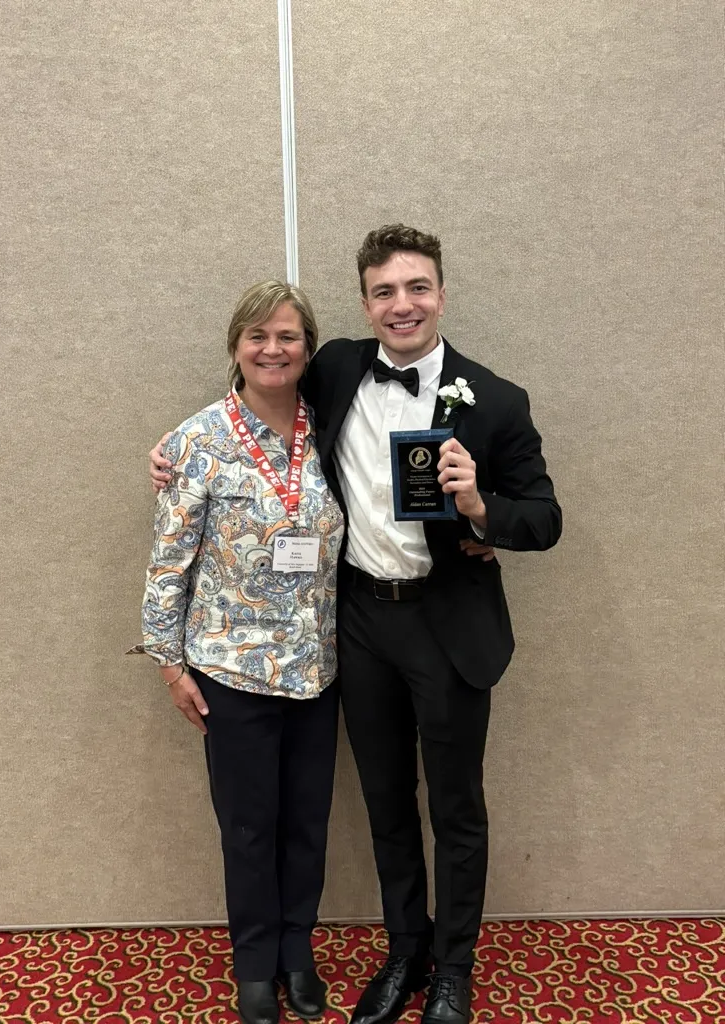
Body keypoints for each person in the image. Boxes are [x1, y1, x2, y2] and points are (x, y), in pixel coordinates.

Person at [150, 226, 561, 1024]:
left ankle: (453, 969)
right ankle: (404, 948)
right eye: (383, 291)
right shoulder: (334, 366)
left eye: (417, 288)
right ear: (366, 303)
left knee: (455, 806)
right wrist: (164, 452)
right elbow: (243, 405)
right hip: (360, 628)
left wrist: (482, 507)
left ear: (440, 293)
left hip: (448, 629)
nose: (401, 305)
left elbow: (544, 518)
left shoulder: (495, 399)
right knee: (384, 801)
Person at [134, 281, 345, 1024]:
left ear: (308, 350)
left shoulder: (330, 433)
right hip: (231, 670)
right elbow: (169, 561)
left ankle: (298, 952)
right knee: (249, 826)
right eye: (257, 335)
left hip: (316, 670)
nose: (272, 349)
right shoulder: (196, 441)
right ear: (236, 348)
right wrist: (169, 662)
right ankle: (256, 961)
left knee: (307, 824)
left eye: (287, 336)